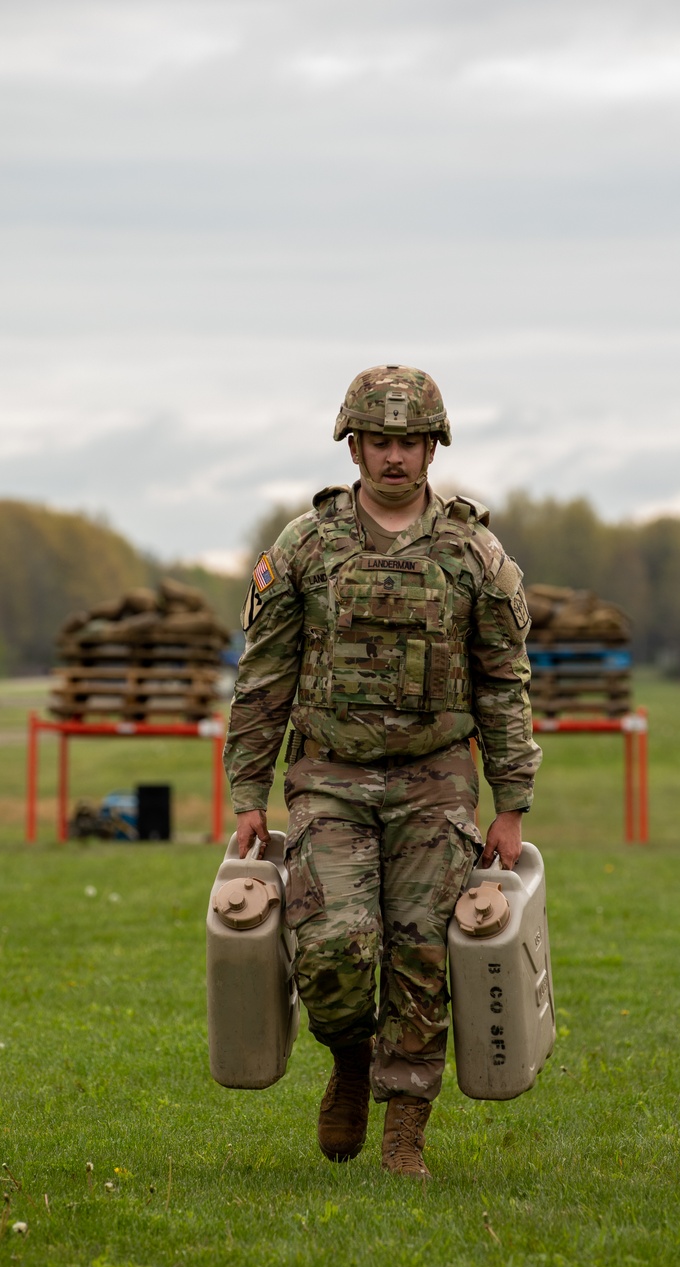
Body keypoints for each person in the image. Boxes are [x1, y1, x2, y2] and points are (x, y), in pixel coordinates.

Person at [223, 364, 540, 1178]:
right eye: (381, 441)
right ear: (354, 444)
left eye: (410, 441)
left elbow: (504, 680)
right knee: (334, 945)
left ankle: (406, 1127)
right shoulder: (307, 546)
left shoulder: (473, 551)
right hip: (328, 776)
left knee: (423, 951)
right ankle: (351, 1063)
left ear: (432, 447)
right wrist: (247, 794)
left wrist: (511, 802)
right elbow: (264, 675)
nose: (395, 457)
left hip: (436, 779)